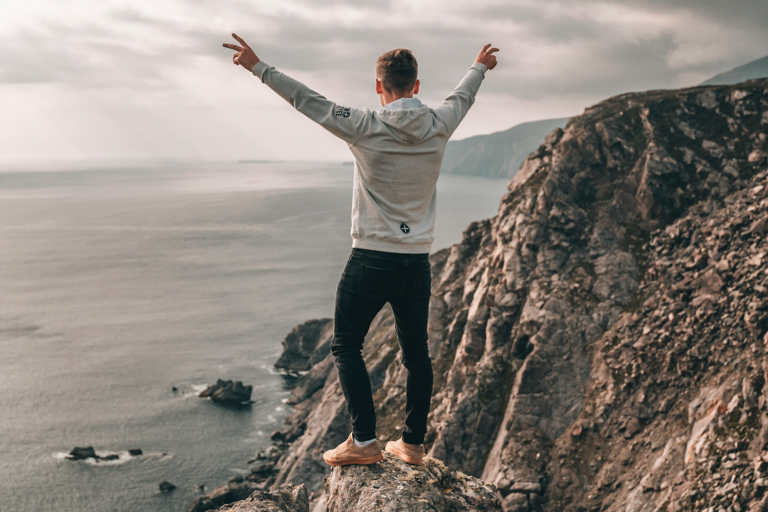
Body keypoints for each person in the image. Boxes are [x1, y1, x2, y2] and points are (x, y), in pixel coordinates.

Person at [223, 34, 498, 466]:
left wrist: (258, 66)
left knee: (347, 346)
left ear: (379, 86)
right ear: (416, 85)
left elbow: (307, 100)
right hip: (416, 262)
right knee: (417, 356)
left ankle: (365, 441)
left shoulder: (364, 123)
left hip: (370, 258)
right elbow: (463, 95)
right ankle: (411, 445)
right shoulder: (442, 122)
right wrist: (479, 66)